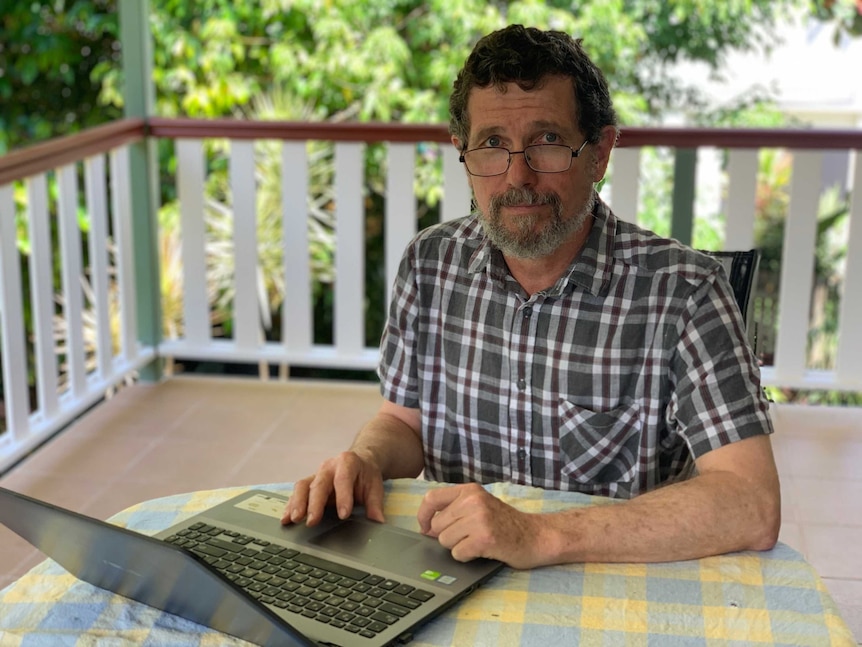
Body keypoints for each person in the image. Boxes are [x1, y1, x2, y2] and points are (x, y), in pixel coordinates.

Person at [282, 24, 780, 569]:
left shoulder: (684, 293)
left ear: (600, 153)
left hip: (615, 590)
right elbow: (405, 423)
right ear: (464, 154)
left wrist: (541, 536)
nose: (518, 175)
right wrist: (366, 460)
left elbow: (750, 502)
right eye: (493, 143)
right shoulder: (429, 265)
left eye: (547, 141)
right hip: (456, 576)